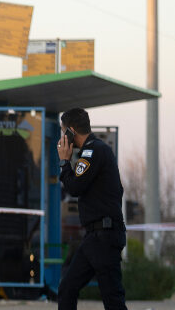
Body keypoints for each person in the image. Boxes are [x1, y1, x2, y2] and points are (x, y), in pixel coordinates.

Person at [56, 108, 127, 310]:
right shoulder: (94, 150)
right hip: (95, 237)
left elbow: (75, 187)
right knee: (67, 288)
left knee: (113, 299)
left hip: (104, 236)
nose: (62, 138)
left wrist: (64, 162)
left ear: (70, 131)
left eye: (63, 132)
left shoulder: (93, 151)